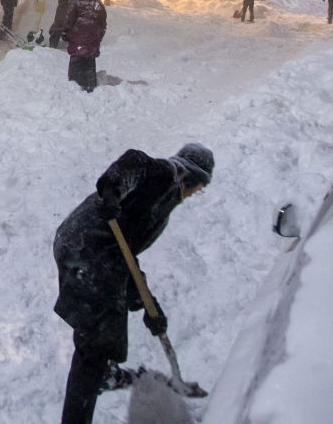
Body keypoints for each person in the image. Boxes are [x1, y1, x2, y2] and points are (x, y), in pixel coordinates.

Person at [53, 144, 214, 424]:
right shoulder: (164, 174)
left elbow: (127, 255)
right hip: (90, 251)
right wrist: (112, 189)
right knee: (94, 347)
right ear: (193, 178)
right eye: (201, 187)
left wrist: (147, 305)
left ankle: (104, 373)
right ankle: (88, 394)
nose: (196, 193)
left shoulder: (165, 198)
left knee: (97, 333)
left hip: (89, 250)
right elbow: (134, 160)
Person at [62, 0, 107, 92]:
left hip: (77, 42)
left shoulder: (76, 3)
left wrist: (66, 32)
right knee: (89, 62)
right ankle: (90, 83)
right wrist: (98, 37)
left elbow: (69, 20)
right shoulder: (98, 5)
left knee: (76, 61)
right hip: (92, 43)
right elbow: (103, 24)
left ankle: (74, 83)